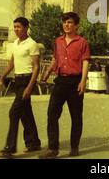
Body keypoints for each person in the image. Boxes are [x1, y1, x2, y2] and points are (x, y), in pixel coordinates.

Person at [39, 12, 90, 159]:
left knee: (76, 116)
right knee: (52, 114)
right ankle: (53, 148)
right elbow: (55, 59)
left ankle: (74, 147)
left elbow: (86, 62)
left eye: (69, 22)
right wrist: (47, 72)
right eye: (64, 22)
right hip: (60, 81)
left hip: (75, 82)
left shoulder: (82, 42)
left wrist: (83, 81)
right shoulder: (58, 41)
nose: (66, 25)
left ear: (76, 26)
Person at [0, 17, 41, 158]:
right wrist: (2, 77)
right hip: (17, 80)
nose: (16, 29)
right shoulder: (15, 43)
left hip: (27, 80)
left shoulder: (32, 44)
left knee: (14, 112)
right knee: (25, 113)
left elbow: (36, 67)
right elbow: (11, 64)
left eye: (18, 27)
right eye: (14, 27)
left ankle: (10, 148)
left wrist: (30, 87)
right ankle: (33, 142)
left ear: (26, 28)